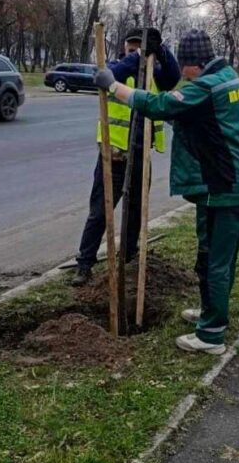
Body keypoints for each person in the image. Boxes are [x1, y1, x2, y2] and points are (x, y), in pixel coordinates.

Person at [95, 29, 239, 355]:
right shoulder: (228, 76)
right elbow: (200, 119)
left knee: (216, 260)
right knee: (214, 255)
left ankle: (212, 335)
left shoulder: (207, 86)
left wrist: (114, 87)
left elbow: (160, 104)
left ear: (194, 64)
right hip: (238, 182)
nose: (181, 75)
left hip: (226, 186)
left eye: (183, 67)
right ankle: (211, 312)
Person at [73, 28, 180, 285]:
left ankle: (129, 255)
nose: (136, 55)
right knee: (100, 212)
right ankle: (85, 264)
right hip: (115, 155)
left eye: (139, 49)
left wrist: (162, 52)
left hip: (142, 155)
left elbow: (173, 78)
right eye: (131, 49)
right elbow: (111, 77)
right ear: (125, 48)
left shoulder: (153, 73)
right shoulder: (114, 69)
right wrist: (138, 56)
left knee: (135, 211)